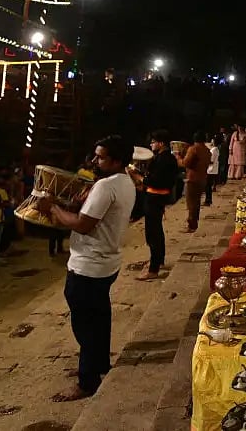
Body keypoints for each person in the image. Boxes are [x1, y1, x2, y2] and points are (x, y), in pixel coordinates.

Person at [37, 135, 135, 402]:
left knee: (86, 326)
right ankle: (99, 364)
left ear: (116, 160)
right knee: (100, 318)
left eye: (101, 156)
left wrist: (53, 207)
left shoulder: (106, 186)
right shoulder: (126, 182)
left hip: (88, 266)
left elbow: (82, 224)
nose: (94, 160)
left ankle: (87, 381)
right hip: (107, 262)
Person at [138, 131, 178, 281]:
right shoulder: (166, 158)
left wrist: (140, 178)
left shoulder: (164, 159)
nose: (151, 144)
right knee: (156, 230)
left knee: (153, 233)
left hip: (155, 198)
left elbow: (156, 180)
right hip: (157, 197)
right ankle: (158, 260)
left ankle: (153, 269)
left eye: (153, 142)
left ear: (161, 143)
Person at [181, 132, 211, 233]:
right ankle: (194, 223)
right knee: (197, 202)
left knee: (191, 204)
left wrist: (178, 157)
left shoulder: (193, 149)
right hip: (202, 178)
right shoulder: (207, 150)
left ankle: (192, 225)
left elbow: (185, 163)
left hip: (192, 179)